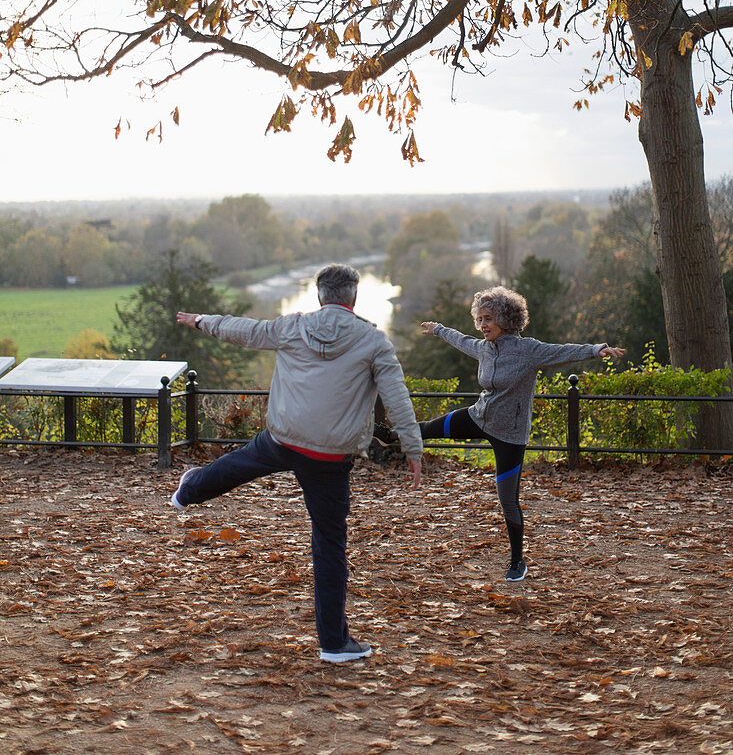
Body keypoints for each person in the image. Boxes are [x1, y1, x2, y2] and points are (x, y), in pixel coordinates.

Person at [171, 263, 423, 664]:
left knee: (238, 465)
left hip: (285, 439)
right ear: (353, 298)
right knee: (328, 543)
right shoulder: (374, 341)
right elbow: (397, 397)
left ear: (320, 295)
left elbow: (245, 331)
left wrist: (202, 320)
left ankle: (188, 490)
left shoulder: (293, 327)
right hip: (331, 455)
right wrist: (413, 448)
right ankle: (334, 644)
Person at [375, 285, 624, 583]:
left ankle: (517, 561)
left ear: (506, 319)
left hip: (511, 434)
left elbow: (562, 351)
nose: (483, 326)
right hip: (480, 417)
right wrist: (439, 329)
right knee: (430, 428)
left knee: (507, 499)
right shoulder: (483, 347)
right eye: (480, 319)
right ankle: (390, 436)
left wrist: (597, 350)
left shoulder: (527, 350)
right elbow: (461, 339)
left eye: (489, 319)